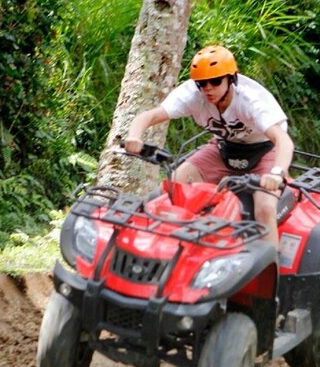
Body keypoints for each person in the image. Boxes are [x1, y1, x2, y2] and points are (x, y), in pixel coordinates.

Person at [124, 45, 294, 248]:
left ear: (232, 78)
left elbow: (283, 140)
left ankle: (268, 271)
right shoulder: (192, 95)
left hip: (264, 150)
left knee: (265, 209)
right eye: (201, 83)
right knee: (172, 187)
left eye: (215, 81)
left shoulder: (250, 100)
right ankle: (158, 251)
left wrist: (276, 173)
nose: (208, 88)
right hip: (224, 147)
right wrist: (134, 137)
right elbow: (150, 115)